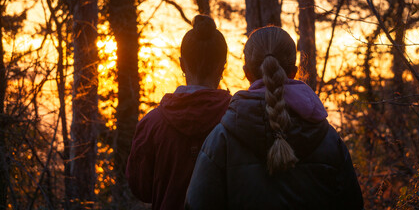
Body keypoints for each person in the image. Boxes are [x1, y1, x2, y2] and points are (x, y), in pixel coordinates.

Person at [185, 26, 364, 209]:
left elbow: (197, 204)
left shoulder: (221, 140)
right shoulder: (329, 139)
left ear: (246, 72)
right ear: (294, 72)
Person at [126, 15, 231, 210]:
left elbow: (141, 188)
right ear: (222, 66)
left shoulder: (152, 124)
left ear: (182, 64)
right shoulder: (238, 120)